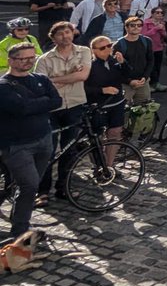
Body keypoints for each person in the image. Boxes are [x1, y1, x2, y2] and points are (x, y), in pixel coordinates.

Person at [0, 40, 62, 240]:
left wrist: (37, 103)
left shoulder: (41, 79)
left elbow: (57, 101)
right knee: (30, 185)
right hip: (17, 145)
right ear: (11, 60)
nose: (28, 62)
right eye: (22, 58)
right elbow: (21, 108)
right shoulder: (4, 86)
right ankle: (20, 231)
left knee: (26, 186)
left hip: (44, 139)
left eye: (31, 57)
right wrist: (43, 102)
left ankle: (18, 218)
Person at [34, 21, 91, 201]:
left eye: (68, 32)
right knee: (47, 151)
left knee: (70, 149)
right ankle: (42, 191)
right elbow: (42, 86)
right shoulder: (44, 59)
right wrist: (70, 77)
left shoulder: (84, 51)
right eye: (60, 34)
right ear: (53, 38)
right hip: (51, 109)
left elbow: (83, 76)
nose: (65, 36)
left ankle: (63, 188)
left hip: (75, 104)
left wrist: (56, 79)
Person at [83, 36, 127, 169]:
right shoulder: (89, 65)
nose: (108, 49)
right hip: (98, 105)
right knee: (97, 137)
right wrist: (102, 90)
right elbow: (83, 88)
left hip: (116, 103)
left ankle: (109, 165)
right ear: (93, 50)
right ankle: (98, 165)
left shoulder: (114, 60)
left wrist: (123, 63)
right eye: (103, 48)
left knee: (115, 132)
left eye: (109, 45)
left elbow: (128, 76)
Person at [115, 15, 153, 106]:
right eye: (132, 25)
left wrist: (145, 77)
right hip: (125, 84)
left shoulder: (147, 41)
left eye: (139, 25)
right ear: (126, 27)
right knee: (123, 112)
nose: (136, 27)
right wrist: (129, 81)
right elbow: (115, 69)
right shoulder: (118, 45)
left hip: (143, 82)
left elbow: (150, 60)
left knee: (144, 111)